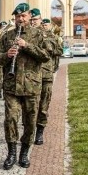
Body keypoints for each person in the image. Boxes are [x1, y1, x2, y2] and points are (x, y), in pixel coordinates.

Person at [0, 3, 49, 169]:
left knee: (30, 121)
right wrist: (7, 55)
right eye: (18, 16)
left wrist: (27, 46)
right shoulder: (7, 36)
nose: (20, 19)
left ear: (29, 17)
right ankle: (11, 152)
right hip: (12, 85)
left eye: (24, 16)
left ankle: (24, 152)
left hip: (31, 86)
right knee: (11, 119)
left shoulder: (38, 35)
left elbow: (46, 56)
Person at [33, 14, 59, 145]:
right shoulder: (26, 35)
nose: (34, 22)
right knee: (31, 106)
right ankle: (30, 131)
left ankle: (39, 132)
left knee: (43, 105)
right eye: (31, 19)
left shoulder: (49, 36)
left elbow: (55, 50)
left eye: (36, 20)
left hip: (45, 75)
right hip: (30, 76)